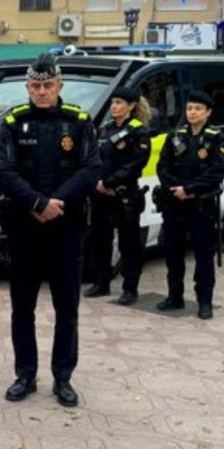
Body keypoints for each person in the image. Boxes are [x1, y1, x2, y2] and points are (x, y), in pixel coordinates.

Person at [0, 58, 100, 408]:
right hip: (25, 226)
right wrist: (38, 203)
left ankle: (63, 377)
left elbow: (90, 171)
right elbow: (5, 172)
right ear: (27, 88)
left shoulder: (80, 122)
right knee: (21, 306)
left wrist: (56, 203)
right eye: (35, 86)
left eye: (48, 85)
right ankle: (25, 374)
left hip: (67, 228)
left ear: (59, 86)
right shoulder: (13, 123)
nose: (42, 92)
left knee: (66, 307)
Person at [155, 91, 224, 320]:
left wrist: (190, 190)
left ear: (208, 112)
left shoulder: (217, 138)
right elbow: (162, 167)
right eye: (189, 108)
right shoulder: (175, 135)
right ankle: (174, 296)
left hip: (201, 205)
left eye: (198, 108)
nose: (192, 113)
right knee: (173, 252)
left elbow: (216, 172)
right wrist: (176, 189)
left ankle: (204, 301)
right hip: (175, 204)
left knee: (203, 256)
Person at [85, 86, 152, 305]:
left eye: (119, 103)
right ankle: (101, 283)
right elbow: (93, 158)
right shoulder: (105, 129)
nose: (114, 106)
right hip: (101, 193)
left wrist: (110, 182)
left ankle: (130, 289)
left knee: (129, 244)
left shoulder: (138, 132)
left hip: (125, 195)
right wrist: (97, 182)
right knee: (100, 240)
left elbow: (136, 164)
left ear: (131, 106)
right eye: (113, 102)